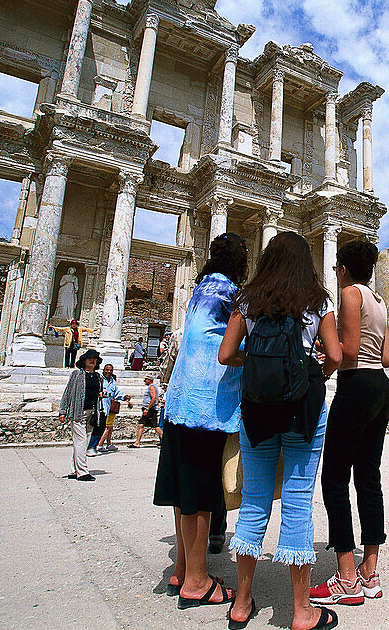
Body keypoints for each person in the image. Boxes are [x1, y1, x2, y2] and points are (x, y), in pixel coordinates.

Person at [219, 231, 342, 630]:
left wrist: (255, 362)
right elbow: (337, 356)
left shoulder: (247, 300)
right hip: (303, 409)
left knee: (254, 501)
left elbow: (225, 354)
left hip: (256, 409)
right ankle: (302, 610)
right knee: (297, 500)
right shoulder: (317, 301)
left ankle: (241, 602)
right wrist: (314, 371)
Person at [154, 232, 248, 609]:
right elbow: (226, 347)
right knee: (203, 496)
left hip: (179, 402)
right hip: (205, 405)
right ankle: (195, 581)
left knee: (183, 494)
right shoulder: (229, 294)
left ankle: (182, 567)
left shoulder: (200, 290)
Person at [311, 241, 389, 607]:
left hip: (356, 384)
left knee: (333, 478)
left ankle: (345, 576)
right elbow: (387, 357)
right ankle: (369, 572)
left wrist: (321, 352)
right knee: (368, 477)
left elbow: (348, 349)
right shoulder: (380, 300)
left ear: (343, 268)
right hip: (381, 386)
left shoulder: (349, 294)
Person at [58, 348, 104, 481]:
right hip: (78, 412)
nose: (92, 360)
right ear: (83, 360)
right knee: (81, 441)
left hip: (92, 413)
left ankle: (74, 470)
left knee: (83, 442)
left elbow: (97, 393)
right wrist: (63, 411)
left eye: (94, 358)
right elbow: (68, 392)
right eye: (90, 358)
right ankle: (82, 472)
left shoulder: (98, 377)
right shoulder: (77, 374)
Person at [95, 363, 130, 454]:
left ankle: (108, 443)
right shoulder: (99, 379)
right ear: (103, 370)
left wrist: (124, 397)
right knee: (105, 427)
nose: (109, 372)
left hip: (109, 407)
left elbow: (116, 392)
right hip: (100, 406)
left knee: (109, 426)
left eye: (110, 370)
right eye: (107, 370)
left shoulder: (112, 381)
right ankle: (99, 445)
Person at [132, 375, 162, 448]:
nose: (145, 381)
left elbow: (154, 398)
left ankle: (165, 441)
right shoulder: (151, 387)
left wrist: (148, 408)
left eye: (146, 379)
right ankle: (137, 442)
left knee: (155, 426)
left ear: (149, 380)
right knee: (141, 425)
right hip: (148, 409)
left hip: (150, 410)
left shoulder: (151, 387)